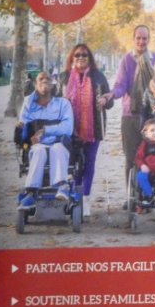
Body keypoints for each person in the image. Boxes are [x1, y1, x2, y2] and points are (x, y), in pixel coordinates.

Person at [100, 24, 155, 171]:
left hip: (152, 115)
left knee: (152, 156)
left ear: (149, 39)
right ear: (133, 39)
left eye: (144, 38)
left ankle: (147, 190)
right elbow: (121, 85)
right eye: (138, 38)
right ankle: (131, 193)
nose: (141, 41)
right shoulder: (127, 60)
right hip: (130, 115)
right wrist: (111, 94)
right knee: (131, 158)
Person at [58, 43, 112, 201]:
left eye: (84, 55)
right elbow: (55, 102)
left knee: (89, 163)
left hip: (93, 129)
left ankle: (86, 198)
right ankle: (76, 196)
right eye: (77, 55)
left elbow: (110, 102)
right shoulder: (64, 77)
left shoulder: (98, 76)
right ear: (72, 58)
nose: (80, 57)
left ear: (89, 58)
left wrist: (104, 100)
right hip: (70, 129)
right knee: (74, 165)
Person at [17, 72, 75, 210]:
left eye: (48, 79)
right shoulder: (29, 105)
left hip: (58, 142)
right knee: (38, 150)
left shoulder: (63, 104)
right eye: (40, 79)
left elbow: (67, 128)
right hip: (38, 145)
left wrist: (45, 130)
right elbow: (23, 127)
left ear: (53, 83)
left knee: (58, 148)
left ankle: (62, 186)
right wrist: (21, 132)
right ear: (36, 85)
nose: (44, 81)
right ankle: (31, 191)